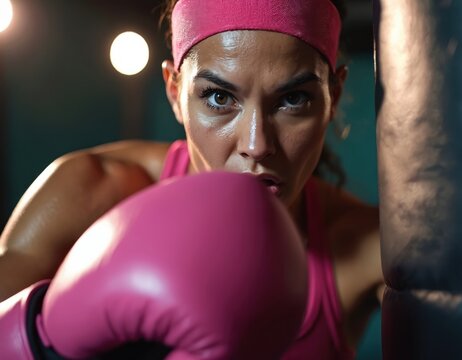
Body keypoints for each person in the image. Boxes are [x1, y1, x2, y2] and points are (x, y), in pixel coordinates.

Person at [0, 0, 383, 358]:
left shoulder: (370, 248)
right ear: (173, 90)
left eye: (293, 99)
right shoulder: (90, 189)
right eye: (219, 97)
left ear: (333, 96)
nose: (256, 144)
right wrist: (40, 340)